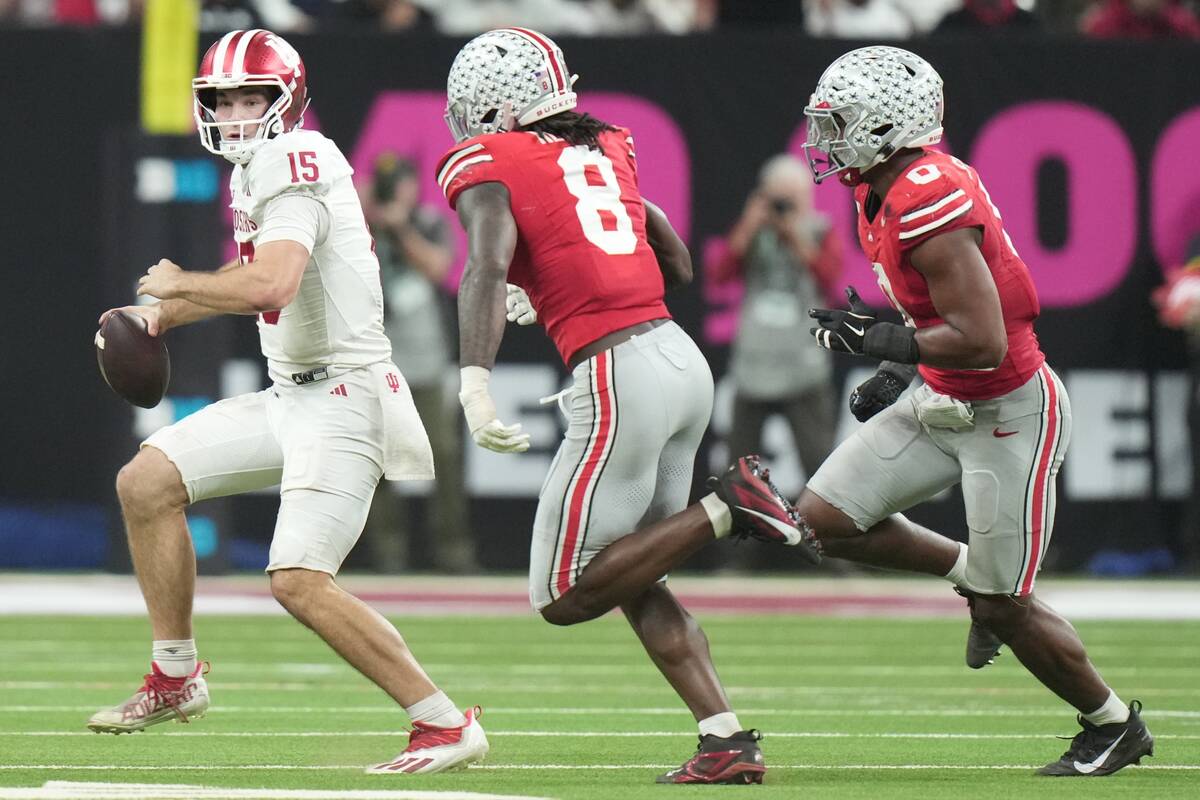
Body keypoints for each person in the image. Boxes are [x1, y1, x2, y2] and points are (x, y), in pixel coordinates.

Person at [88, 29, 486, 775]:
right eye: (224, 100)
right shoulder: (257, 169)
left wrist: (175, 283)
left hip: (344, 397)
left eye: (252, 97)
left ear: (288, 100)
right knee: (145, 482)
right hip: (292, 395)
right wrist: (166, 316)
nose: (237, 113)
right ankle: (176, 676)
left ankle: (441, 722)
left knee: (298, 579)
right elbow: (261, 282)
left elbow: (269, 285)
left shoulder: (290, 159)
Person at [437, 27, 819, 784]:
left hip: (618, 370)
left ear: (491, 104)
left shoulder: (488, 159)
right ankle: (725, 739)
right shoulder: (605, 145)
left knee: (562, 589)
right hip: (678, 359)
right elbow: (672, 263)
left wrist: (473, 380)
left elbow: (482, 266)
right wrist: (547, 277)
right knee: (634, 574)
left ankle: (728, 507)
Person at [796, 45, 1154, 776]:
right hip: (943, 396)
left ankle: (1113, 725)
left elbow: (985, 340)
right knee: (825, 519)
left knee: (1003, 610)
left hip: (1007, 412)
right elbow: (941, 311)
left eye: (842, 123)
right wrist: (902, 363)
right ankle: (974, 573)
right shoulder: (883, 186)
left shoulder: (926, 191)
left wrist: (881, 342)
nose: (827, 139)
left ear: (889, 126)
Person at [711, 154, 841, 552]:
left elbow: (831, 279)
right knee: (739, 470)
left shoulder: (819, 231)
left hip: (803, 366)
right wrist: (752, 224)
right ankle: (737, 554)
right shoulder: (753, 233)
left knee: (821, 467)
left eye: (791, 198)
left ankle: (835, 551)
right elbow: (720, 273)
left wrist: (794, 232)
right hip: (755, 365)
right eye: (777, 198)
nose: (783, 206)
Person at [359, 153, 476, 574]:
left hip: (428, 366)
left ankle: (453, 552)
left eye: (403, 183)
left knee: (443, 456)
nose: (398, 193)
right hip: (379, 365)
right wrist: (366, 214)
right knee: (380, 462)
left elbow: (438, 268)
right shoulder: (361, 227)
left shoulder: (425, 222)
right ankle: (388, 555)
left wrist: (399, 227)